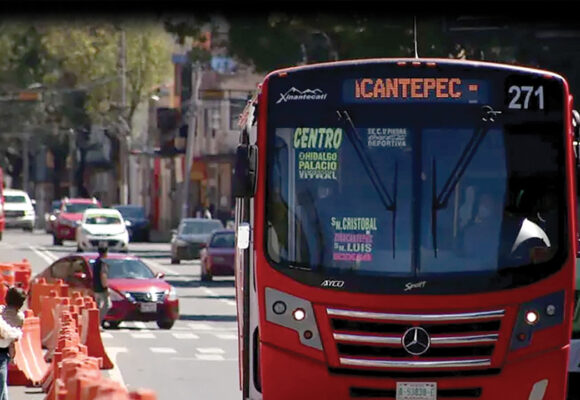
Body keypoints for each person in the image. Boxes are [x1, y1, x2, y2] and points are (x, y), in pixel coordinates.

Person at [0, 287, 27, 400]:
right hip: (4, 351)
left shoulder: (1, 310)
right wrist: (13, 355)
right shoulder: (20, 317)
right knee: (2, 382)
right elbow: (12, 340)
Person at [93, 243, 111, 327]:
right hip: (101, 288)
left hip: (95, 287)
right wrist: (106, 287)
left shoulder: (96, 262)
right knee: (107, 305)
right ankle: (98, 322)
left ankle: (96, 322)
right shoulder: (103, 263)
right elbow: (103, 275)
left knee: (97, 305)